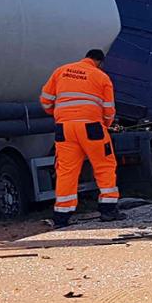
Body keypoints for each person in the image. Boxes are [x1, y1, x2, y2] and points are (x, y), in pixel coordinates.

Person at [40, 49, 123, 227]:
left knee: (66, 171)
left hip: (65, 128)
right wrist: (106, 126)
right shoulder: (101, 77)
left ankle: (62, 216)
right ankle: (108, 210)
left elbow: (45, 101)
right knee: (104, 166)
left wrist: (58, 113)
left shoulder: (61, 71)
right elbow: (109, 110)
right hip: (92, 128)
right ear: (100, 62)